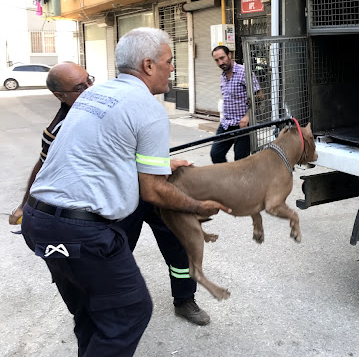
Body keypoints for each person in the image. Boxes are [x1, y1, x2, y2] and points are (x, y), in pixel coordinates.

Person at [20, 28, 231, 357]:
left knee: (91, 313)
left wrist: (163, 162)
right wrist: (198, 205)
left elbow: (105, 151)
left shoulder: (94, 96)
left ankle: (183, 297)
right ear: (148, 65)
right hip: (82, 229)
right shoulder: (147, 108)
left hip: (38, 222)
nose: (172, 68)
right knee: (130, 313)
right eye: (168, 61)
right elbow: (154, 192)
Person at [210, 45, 263, 163]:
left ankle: (240, 181)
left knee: (240, 161)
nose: (220, 62)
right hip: (226, 123)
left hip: (243, 124)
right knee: (216, 154)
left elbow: (259, 96)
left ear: (229, 55)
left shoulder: (244, 72)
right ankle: (227, 180)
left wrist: (247, 116)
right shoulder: (223, 76)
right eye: (217, 60)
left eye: (222, 58)